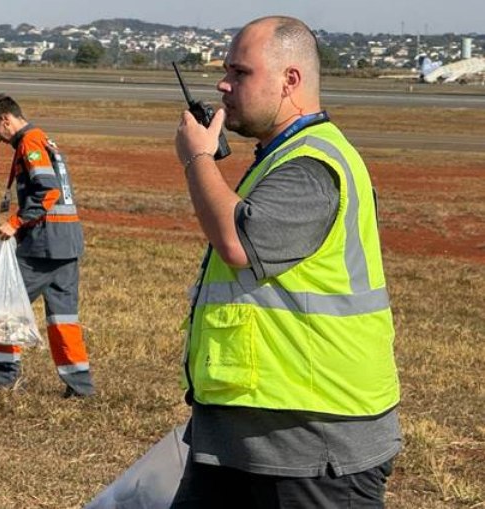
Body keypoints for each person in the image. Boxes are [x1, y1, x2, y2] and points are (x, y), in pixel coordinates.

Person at [170, 16, 401, 508]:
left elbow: (238, 241)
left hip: (315, 448)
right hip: (245, 438)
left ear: (289, 81)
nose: (222, 83)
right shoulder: (279, 158)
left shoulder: (314, 165)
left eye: (240, 72)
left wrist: (198, 159)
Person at [0, 94, 94, 398]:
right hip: (67, 243)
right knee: (63, 319)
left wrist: (14, 223)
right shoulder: (45, 140)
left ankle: (4, 380)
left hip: (44, 245)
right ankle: (80, 387)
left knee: (4, 307)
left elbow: (48, 191)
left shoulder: (30, 143)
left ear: (5, 119)